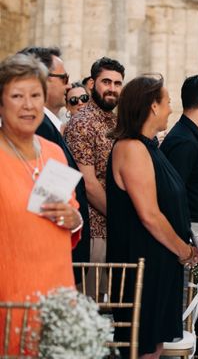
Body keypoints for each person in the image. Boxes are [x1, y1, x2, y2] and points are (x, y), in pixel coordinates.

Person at [106, 75, 198, 358]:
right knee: (142, 345)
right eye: (168, 103)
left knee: (155, 345)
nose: (171, 109)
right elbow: (149, 214)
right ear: (153, 107)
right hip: (142, 261)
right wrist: (183, 249)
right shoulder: (131, 148)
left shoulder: (149, 147)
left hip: (158, 261)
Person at [0, 54, 82, 355]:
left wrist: (74, 218)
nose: (28, 105)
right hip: (10, 300)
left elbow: (72, 213)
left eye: (35, 95)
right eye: (17, 96)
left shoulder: (53, 152)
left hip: (58, 295)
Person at [159, 75, 198, 355]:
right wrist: (188, 238)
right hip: (191, 227)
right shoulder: (183, 140)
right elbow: (175, 194)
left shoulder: (191, 136)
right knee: (190, 296)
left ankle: (193, 344)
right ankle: (184, 348)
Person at [20, 47, 91, 267]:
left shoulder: (49, 133)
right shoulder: (39, 129)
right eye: (64, 78)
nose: (69, 85)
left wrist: (75, 219)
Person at [65, 57, 125, 294]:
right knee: (91, 302)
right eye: (106, 82)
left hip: (115, 228)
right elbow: (87, 183)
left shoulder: (117, 120)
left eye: (117, 83)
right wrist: (120, 217)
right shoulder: (82, 123)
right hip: (95, 227)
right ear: (92, 84)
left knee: (111, 302)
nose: (112, 88)